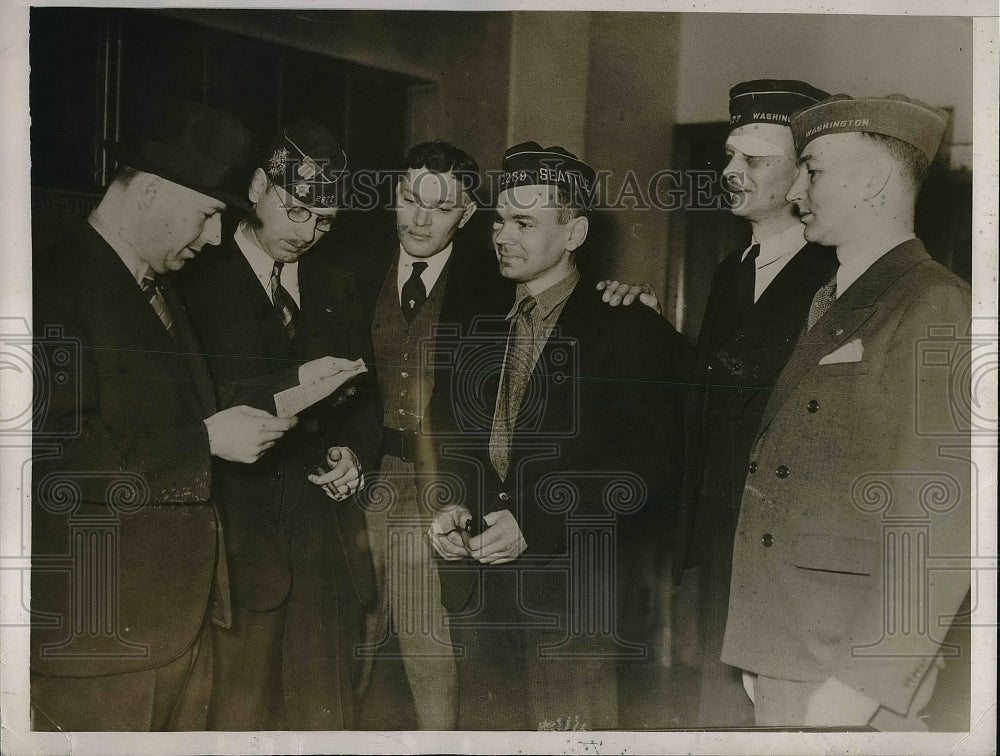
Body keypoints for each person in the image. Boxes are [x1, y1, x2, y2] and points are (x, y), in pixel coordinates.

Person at [31, 97, 297, 731]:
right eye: (207, 215)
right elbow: (50, 460)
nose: (213, 238)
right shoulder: (51, 284)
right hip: (102, 644)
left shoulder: (158, 285)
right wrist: (202, 442)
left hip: (179, 627)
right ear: (149, 192)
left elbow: (158, 409)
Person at [721, 93, 971, 729]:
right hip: (791, 649)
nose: (797, 186)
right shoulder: (837, 297)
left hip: (848, 674)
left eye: (814, 169)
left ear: (877, 180)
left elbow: (942, 512)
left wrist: (865, 683)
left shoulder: (934, 303)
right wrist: (761, 649)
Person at [600, 79, 837, 726]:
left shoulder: (834, 273)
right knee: (723, 711)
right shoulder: (736, 267)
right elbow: (718, 387)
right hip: (719, 536)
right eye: (730, 156)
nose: (729, 172)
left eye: (753, 160)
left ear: (802, 175)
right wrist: (653, 328)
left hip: (783, 549)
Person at [427, 142, 687, 730]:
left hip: (572, 599)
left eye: (524, 222)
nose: (502, 235)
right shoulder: (477, 321)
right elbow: (456, 439)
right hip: (479, 596)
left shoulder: (627, 325)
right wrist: (451, 503)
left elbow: (647, 462)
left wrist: (536, 520)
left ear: (574, 233)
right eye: (499, 220)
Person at [176, 119, 381, 730]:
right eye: (297, 212)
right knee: (239, 716)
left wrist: (353, 453)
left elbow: (365, 397)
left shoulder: (336, 281)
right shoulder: (193, 278)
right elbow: (192, 405)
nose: (308, 234)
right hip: (238, 550)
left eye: (324, 223)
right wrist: (288, 394)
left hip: (324, 549)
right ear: (261, 185)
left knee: (324, 718)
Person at [340, 140, 513, 729]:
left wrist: (625, 297)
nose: (418, 218)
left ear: (466, 216)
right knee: (346, 636)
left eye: (439, 209)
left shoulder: (495, 280)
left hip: (439, 481)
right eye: (410, 198)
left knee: (427, 641)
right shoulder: (350, 267)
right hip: (359, 476)